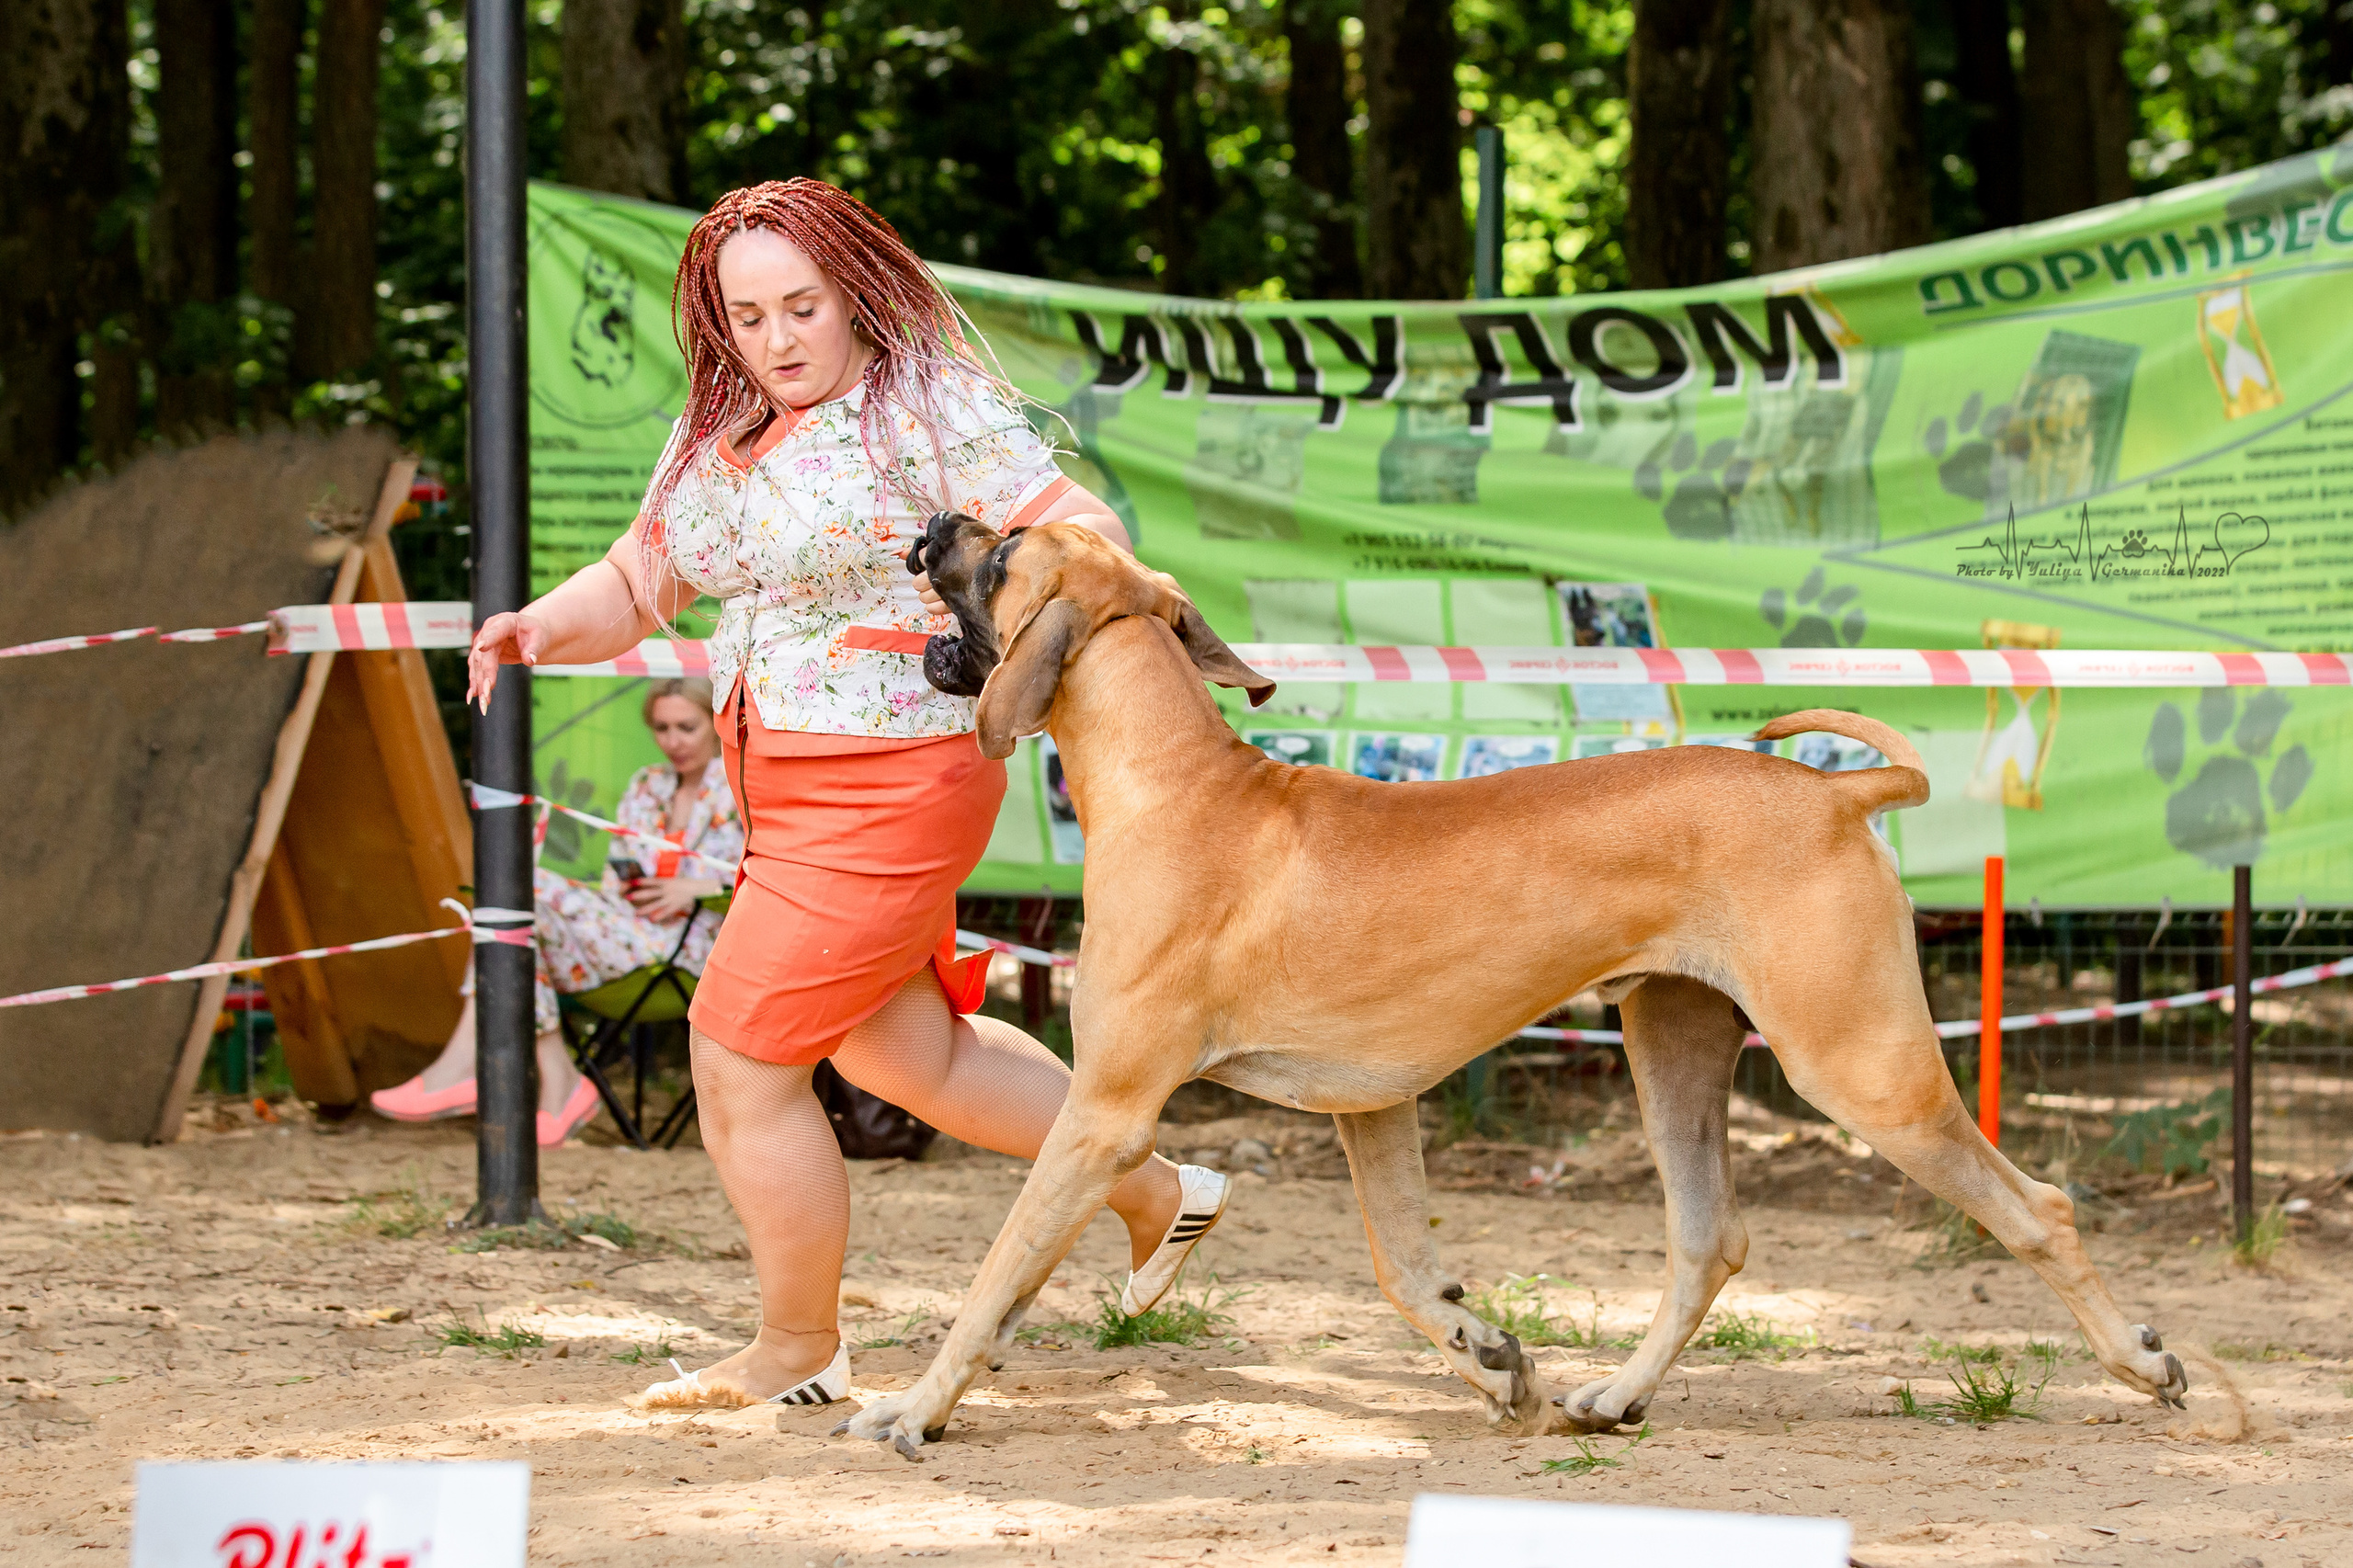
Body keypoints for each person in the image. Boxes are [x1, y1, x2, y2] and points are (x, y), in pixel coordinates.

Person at [462, 179, 1229, 1409]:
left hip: (897, 781)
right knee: (909, 1052)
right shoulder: (717, 431)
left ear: (855, 291)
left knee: (738, 1056)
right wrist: (534, 631)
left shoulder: (930, 407)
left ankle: (797, 1346)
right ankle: (1157, 1189)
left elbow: (1073, 533)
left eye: (803, 306)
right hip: (780, 789)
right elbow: (640, 575)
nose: (776, 339)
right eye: (747, 314)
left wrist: (1076, 627)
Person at [370, 678, 743, 1147]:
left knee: (521, 894)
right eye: (662, 728)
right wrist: (629, 889)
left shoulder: (742, 784)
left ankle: (505, 1070)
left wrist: (700, 886)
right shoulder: (648, 784)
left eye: (686, 727)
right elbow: (615, 875)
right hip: (628, 931)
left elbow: (776, 870)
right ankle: (548, 1079)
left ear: (713, 722)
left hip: (701, 945)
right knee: (524, 914)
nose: (674, 741)